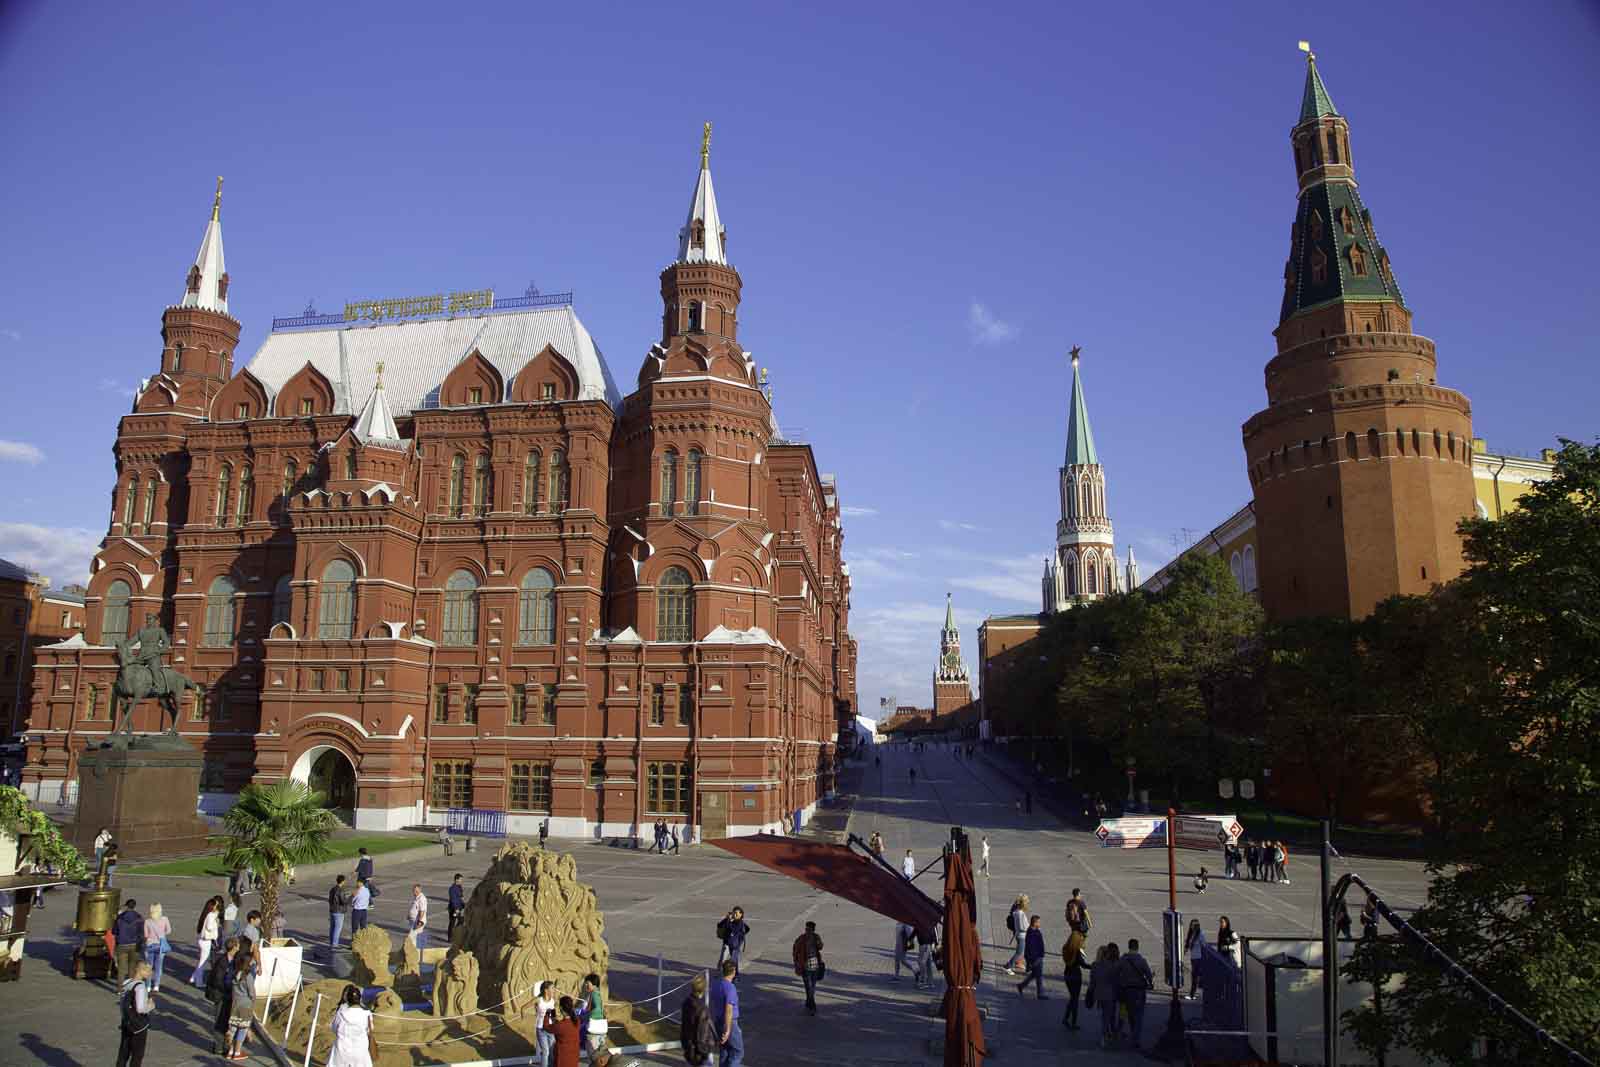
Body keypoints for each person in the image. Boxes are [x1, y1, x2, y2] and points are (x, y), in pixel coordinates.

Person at [1117, 937, 1154, 1050]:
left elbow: (1117, 972)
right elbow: (1148, 975)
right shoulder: (1141, 960)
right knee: (1138, 1016)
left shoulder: (1123, 959)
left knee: (1127, 1013)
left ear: (1129, 947)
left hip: (1125, 992)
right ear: (1137, 947)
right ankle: (1136, 1039)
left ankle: (1124, 1032)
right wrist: (1151, 981)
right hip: (1138, 991)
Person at [116, 959, 154, 1067]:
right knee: (137, 1055)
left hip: (126, 1022)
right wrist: (151, 1005)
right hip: (138, 1026)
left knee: (123, 1053)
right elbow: (141, 1009)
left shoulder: (127, 983)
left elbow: (123, 1004)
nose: (150, 973)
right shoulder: (140, 987)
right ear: (140, 970)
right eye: (148, 970)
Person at [328, 982, 375, 1067]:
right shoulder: (367, 1014)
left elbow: (334, 1028)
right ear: (359, 999)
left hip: (342, 1048)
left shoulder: (341, 1013)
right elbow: (370, 1029)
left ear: (348, 1000)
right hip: (360, 1049)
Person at [207, 937, 240, 1052]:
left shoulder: (234, 959)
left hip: (228, 995)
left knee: (226, 1021)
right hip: (221, 995)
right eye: (237, 944)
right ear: (234, 947)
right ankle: (218, 1047)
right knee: (219, 1021)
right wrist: (230, 987)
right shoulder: (222, 961)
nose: (239, 946)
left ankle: (224, 1046)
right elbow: (218, 980)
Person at [709, 959, 743, 1067]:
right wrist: (728, 1030)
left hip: (718, 1020)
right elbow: (729, 1010)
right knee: (737, 1052)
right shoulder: (730, 988)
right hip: (729, 1023)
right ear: (733, 971)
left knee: (724, 1050)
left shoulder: (716, 984)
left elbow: (711, 1003)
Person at [1088, 943, 1122, 1048]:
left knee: (1105, 1015)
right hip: (1109, 994)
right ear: (1106, 954)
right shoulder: (1111, 966)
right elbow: (1115, 980)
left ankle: (1108, 1033)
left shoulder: (1094, 965)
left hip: (1099, 994)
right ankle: (1104, 1036)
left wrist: (1092, 992)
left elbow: (1092, 981)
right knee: (1106, 1016)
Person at [226, 949, 257, 1060]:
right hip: (245, 1005)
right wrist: (253, 1002)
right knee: (242, 1028)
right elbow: (252, 993)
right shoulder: (248, 976)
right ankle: (237, 1052)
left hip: (235, 1003)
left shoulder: (235, 973)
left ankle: (230, 1050)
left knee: (233, 1027)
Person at [680, 972, 716, 1066]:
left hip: (689, 1047)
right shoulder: (702, 1009)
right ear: (703, 989)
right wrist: (705, 1053)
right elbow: (702, 1034)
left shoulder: (686, 1003)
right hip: (700, 1053)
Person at [791, 920, 824, 1013]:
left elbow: (821, 947)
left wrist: (818, 942)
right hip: (805, 966)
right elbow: (795, 949)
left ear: (813, 930)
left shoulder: (816, 937)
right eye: (807, 929)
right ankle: (812, 1006)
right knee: (808, 987)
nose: (808, 931)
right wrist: (796, 961)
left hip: (815, 966)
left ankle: (808, 1003)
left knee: (811, 987)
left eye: (810, 929)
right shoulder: (802, 938)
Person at [578, 972, 609, 1067]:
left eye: (588, 983)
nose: (586, 985)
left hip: (594, 1031)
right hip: (600, 1030)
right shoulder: (598, 993)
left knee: (594, 1057)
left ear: (593, 983)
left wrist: (586, 1016)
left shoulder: (594, 994)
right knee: (599, 1056)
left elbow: (597, 1009)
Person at [1061, 934, 1091, 1029]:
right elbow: (1083, 965)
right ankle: (1073, 1022)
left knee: (1072, 998)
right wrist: (1094, 966)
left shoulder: (1066, 948)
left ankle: (1066, 1018)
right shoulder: (1076, 952)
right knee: (1075, 1000)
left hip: (1067, 974)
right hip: (1075, 976)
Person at [543, 994, 582, 1067]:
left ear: (561, 1008)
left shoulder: (561, 1025)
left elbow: (546, 1027)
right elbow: (562, 1027)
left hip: (562, 1059)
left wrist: (547, 1015)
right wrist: (554, 1018)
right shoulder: (576, 1021)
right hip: (574, 1056)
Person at [141, 902, 172, 992]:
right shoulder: (165, 919)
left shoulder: (147, 921)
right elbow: (169, 930)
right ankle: (156, 985)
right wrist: (162, 934)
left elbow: (146, 935)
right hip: (161, 945)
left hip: (150, 945)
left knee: (149, 966)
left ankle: (148, 986)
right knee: (159, 967)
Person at [112, 898, 144, 983]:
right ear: (134, 906)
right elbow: (141, 933)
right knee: (132, 967)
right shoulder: (139, 917)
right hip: (134, 944)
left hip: (122, 944)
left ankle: (119, 988)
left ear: (126, 906)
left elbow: (114, 931)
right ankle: (129, 986)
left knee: (121, 968)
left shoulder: (120, 917)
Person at [1015, 915, 1047, 999]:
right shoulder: (1031, 933)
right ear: (1035, 923)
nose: (1040, 924)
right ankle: (1040, 994)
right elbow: (1031, 948)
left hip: (1038, 956)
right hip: (1036, 958)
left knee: (1034, 975)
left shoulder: (1035, 931)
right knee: (1039, 976)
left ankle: (1021, 986)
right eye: (1039, 922)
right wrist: (1032, 960)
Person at [192, 896, 221, 986]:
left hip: (202, 940)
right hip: (206, 941)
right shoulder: (212, 915)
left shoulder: (206, 914)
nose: (216, 907)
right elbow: (209, 927)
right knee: (202, 962)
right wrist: (216, 922)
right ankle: (198, 981)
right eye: (215, 905)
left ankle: (193, 977)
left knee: (201, 961)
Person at [716, 907, 748, 975]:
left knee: (734, 961)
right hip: (727, 943)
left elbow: (733, 929)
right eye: (733, 912)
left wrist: (741, 936)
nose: (734, 914)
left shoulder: (740, 923)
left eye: (736, 913)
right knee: (722, 959)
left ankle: (735, 975)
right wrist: (726, 919)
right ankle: (719, 973)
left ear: (741, 914)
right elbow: (719, 925)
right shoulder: (729, 920)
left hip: (735, 945)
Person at [534, 981, 558, 1067]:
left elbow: (553, 1016)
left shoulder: (552, 1001)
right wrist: (522, 1012)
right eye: (552, 988)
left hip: (551, 1029)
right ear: (546, 990)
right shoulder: (538, 999)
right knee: (545, 1051)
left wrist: (557, 1025)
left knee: (551, 1051)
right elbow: (524, 1007)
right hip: (541, 1029)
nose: (554, 990)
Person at [1004, 894, 1030, 974]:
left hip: (1019, 935)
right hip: (1021, 935)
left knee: (1021, 951)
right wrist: (1030, 928)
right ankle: (1008, 966)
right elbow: (1022, 927)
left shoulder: (1016, 911)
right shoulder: (1020, 914)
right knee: (1019, 952)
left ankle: (1018, 963)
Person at [328, 874, 352, 954]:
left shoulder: (332, 889)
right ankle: (334, 945)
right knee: (337, 929)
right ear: (343, 881)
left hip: (332, 910)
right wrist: (350, 898)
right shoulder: (341, 890)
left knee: (332, 927)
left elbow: (330, 900)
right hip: (339, 911)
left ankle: (332, 943)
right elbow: (344, 901)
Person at [1184, 918, 1207, 999]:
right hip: (1193, 958)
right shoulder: (1191, 934)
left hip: (1199, 958)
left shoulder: (1200, 934)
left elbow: (1204, 945)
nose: (1191, 927)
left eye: (1193, 925)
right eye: (1191, 925)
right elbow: (1188, 945)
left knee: (1196, 976)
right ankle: (1194, 993)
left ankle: (1192, 995)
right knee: (1196, 977)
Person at [409, 883, 429, 952]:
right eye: (414, 891)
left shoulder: (422, 898)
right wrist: (409, 915)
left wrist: (419, 922)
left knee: (411, 937)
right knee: (415, 937)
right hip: (414, 921)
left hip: (417, 922)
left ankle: (414, 952)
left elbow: (422, 911)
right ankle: (416, 952)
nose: (415, 893)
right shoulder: (417, 897)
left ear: (420, 890)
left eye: (416, 891)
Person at [447, 873, 466, 939]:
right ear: (456, 880)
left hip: (459, 908)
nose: (462, 881)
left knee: (461, 920)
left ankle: (454, 934)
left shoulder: (459, 887)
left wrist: (464, 904)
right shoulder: (452, 889)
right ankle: (450, 938)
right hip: (454, 908)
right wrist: (456, 908)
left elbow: (461, 897)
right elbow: (453, 899)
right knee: (452, 922)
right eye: (461, 879)